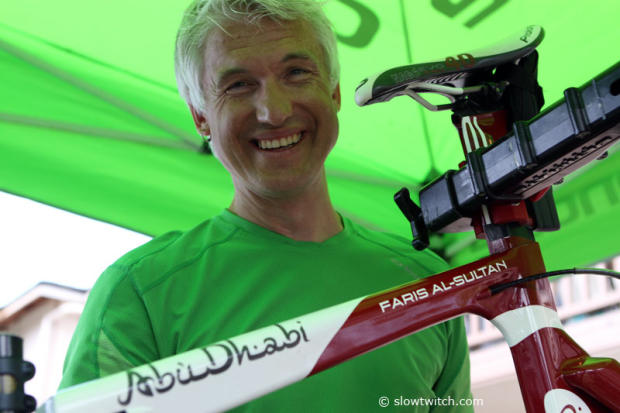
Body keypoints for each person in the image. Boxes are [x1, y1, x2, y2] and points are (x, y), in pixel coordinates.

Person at [59, 0, 473, 411]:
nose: (274, 111)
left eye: (297, 73)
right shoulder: (140, 294)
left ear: (333, 91)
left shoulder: (428, 284)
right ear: (200, 117)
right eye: (238, 84)